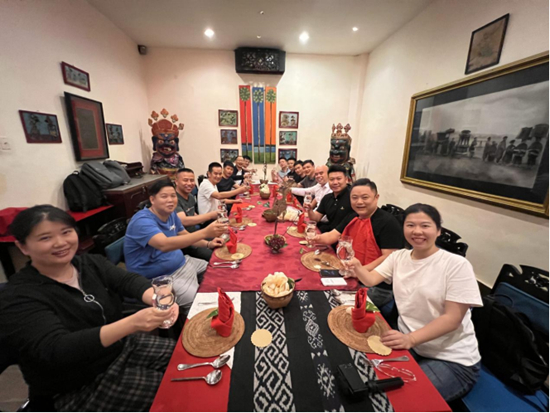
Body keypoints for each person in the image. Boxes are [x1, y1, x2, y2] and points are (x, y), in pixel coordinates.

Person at [0, 205, 178, 411]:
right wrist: (132, 323)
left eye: (66, 232)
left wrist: (157, 298)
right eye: (45, 238)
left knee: (185, 360)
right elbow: (56, 349)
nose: (60, 242)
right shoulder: (19, 295)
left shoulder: (88, 264)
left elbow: (127, 280)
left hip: (119, 349)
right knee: (175, 393)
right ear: (23, 247)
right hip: (79, 385)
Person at [345, 204, 482, 402]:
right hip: (411, 344)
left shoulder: (456, 265)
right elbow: (371, 279)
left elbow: (452, 319)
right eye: (410, 225)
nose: (417, 231)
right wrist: (357, 266)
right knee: (364, 378)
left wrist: (411, 339)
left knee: (400, 400)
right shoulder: (399, 257)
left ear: (438, 230)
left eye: (425, 226)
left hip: (451, 358)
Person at [125, 180, 226, 308]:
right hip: (162, 279)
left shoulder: (171, 214)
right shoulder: (142, 221)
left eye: (173, 196)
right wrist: (205, 232)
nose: (170, 200)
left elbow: (183, 234)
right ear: (152, 199)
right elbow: (164, 245)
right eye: (164, 196)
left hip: (184, 262)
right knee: (201, 304)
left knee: (220, 271)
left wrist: (208, 244)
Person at [312, 178, 403, 307]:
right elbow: (333, 235)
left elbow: (389, 257)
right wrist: (316, 238)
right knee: (317, 285)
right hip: (350, 272)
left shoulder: (388, 222)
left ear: (376, 198)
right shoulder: (353, 216)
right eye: (354, 198)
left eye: (365, 197)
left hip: (377, 286)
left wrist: (359, 271)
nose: (359, 202)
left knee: (335, 306)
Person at [174, 168, 219, 261]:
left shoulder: (190, 197)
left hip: (195, 235)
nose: (189, 183)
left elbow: (193, 214)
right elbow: (183, 221)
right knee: (216, 256)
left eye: (192, 180)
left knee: (223, 241)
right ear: (176, 182)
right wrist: (210, 215)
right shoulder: (173, 199)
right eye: (185, 180)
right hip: (184, 242)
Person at [306, 164, 354, 233]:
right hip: (329, 233)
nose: (335, 182)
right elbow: (316, 218)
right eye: (332, 179)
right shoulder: (327, 198)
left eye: (339, 179)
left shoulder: (353, 197)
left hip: (346, 236)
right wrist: (310, 210)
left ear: (346, 180)